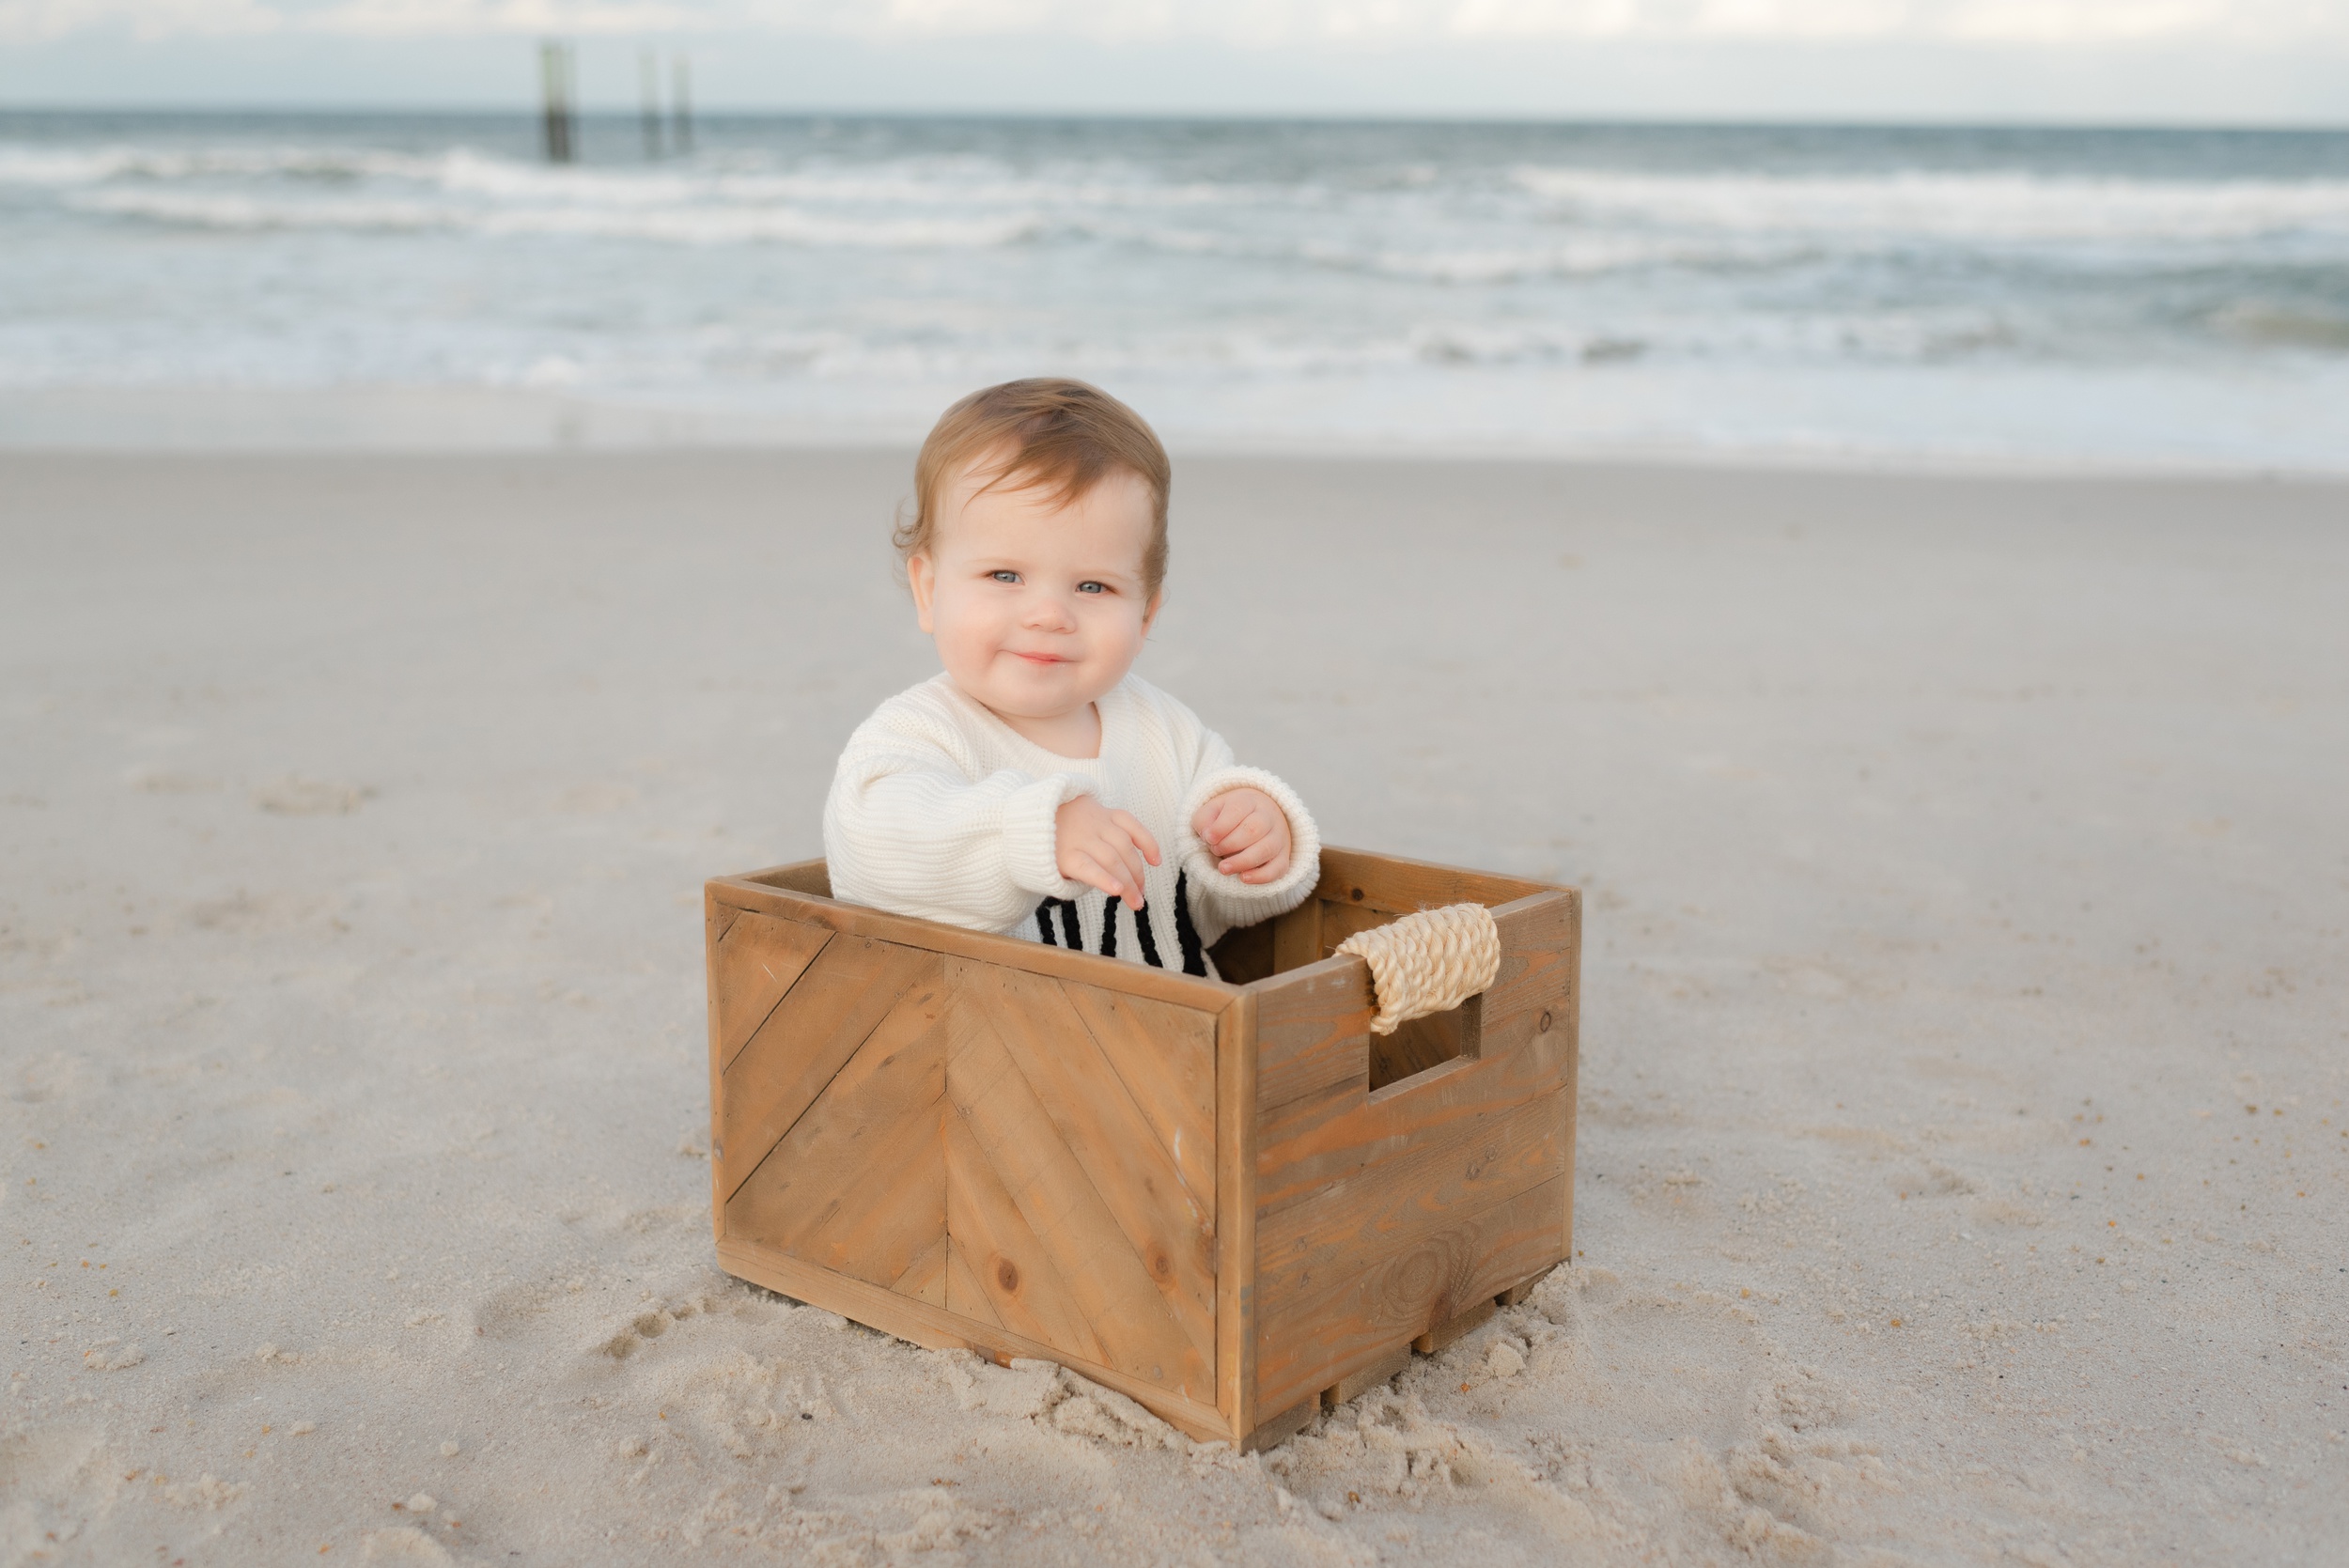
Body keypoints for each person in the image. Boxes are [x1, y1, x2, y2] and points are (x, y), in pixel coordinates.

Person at [823, 378, 1320, 976]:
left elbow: (1215, 912)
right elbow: (870, 849)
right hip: (987, 1048)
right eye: (1005, 575)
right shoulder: (919, 734)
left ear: (1145, 613)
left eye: (1093, 587)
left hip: (1178, 1044)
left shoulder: (1169, 736)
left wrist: (1257, 846)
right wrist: (1031, 832)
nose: (1049, 615)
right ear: (929, 590)